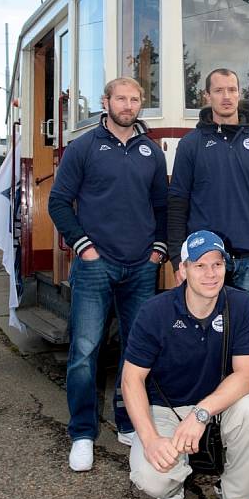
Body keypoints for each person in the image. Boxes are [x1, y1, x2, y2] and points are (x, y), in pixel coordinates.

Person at [48, 77, 168, 472]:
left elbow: (162, 208)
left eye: (135, 99)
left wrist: (157, 252)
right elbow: (59, 203)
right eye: (121, 98)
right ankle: (82, 433)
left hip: (140, 268)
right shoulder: (83, 148)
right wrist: (86, 247)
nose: (128, 105)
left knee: (137, 351)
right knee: (85, 351)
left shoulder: (151, 152)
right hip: (96, 265)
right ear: (106, 101)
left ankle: (127, 421)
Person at [121, 230, 249, 499]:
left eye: (216, 264)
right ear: (183, 270)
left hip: (214, 406)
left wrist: (200, 414)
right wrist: (150, 439)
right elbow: (130, 378)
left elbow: (247, 375)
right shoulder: (155, 311)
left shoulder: (240, 305)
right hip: (165, 407)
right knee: (153, 477)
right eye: (199, 265)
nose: (210, 273)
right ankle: (172, 483)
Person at [168, 68, 249, 317]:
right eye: (219, 90)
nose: (226, 96)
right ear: (207, 95)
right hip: (204, 259)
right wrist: (178, 257)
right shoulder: (190, 145)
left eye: (232, 90)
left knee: (245, 336)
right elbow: (178, 204)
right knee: (204, 336)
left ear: (239, 93)